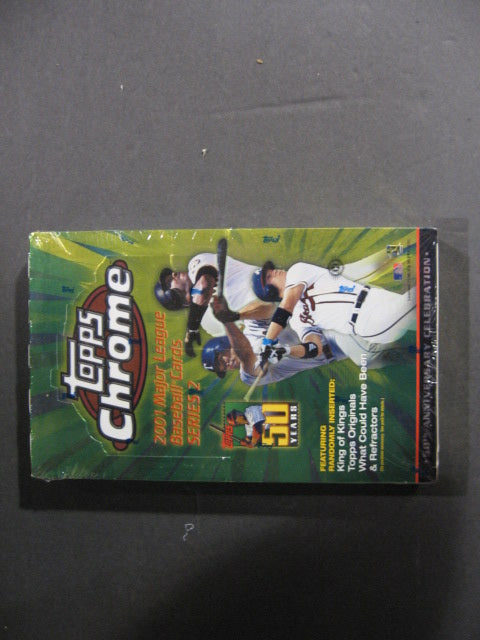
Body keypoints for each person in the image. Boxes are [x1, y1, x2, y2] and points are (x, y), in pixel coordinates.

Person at [257, 261, 416, 364]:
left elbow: (287, 305)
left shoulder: (297, 270)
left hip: (378, 297)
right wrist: (287, 351)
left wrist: (267, 341)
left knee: (424, 319)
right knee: (421, 296)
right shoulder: (296, 321)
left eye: (271, 271)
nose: (275, 271)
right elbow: (314, 348)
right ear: (270, 291)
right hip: (370, 321)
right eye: (269, 276)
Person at [154, 253, 275, 355]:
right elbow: (242, 341)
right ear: (174, 297)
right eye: (170, 281)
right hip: (275, 322)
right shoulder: (207, 324)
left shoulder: (195, 263)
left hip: (275, 287)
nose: (174, 274)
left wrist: (192, 328)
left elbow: (204, 285)